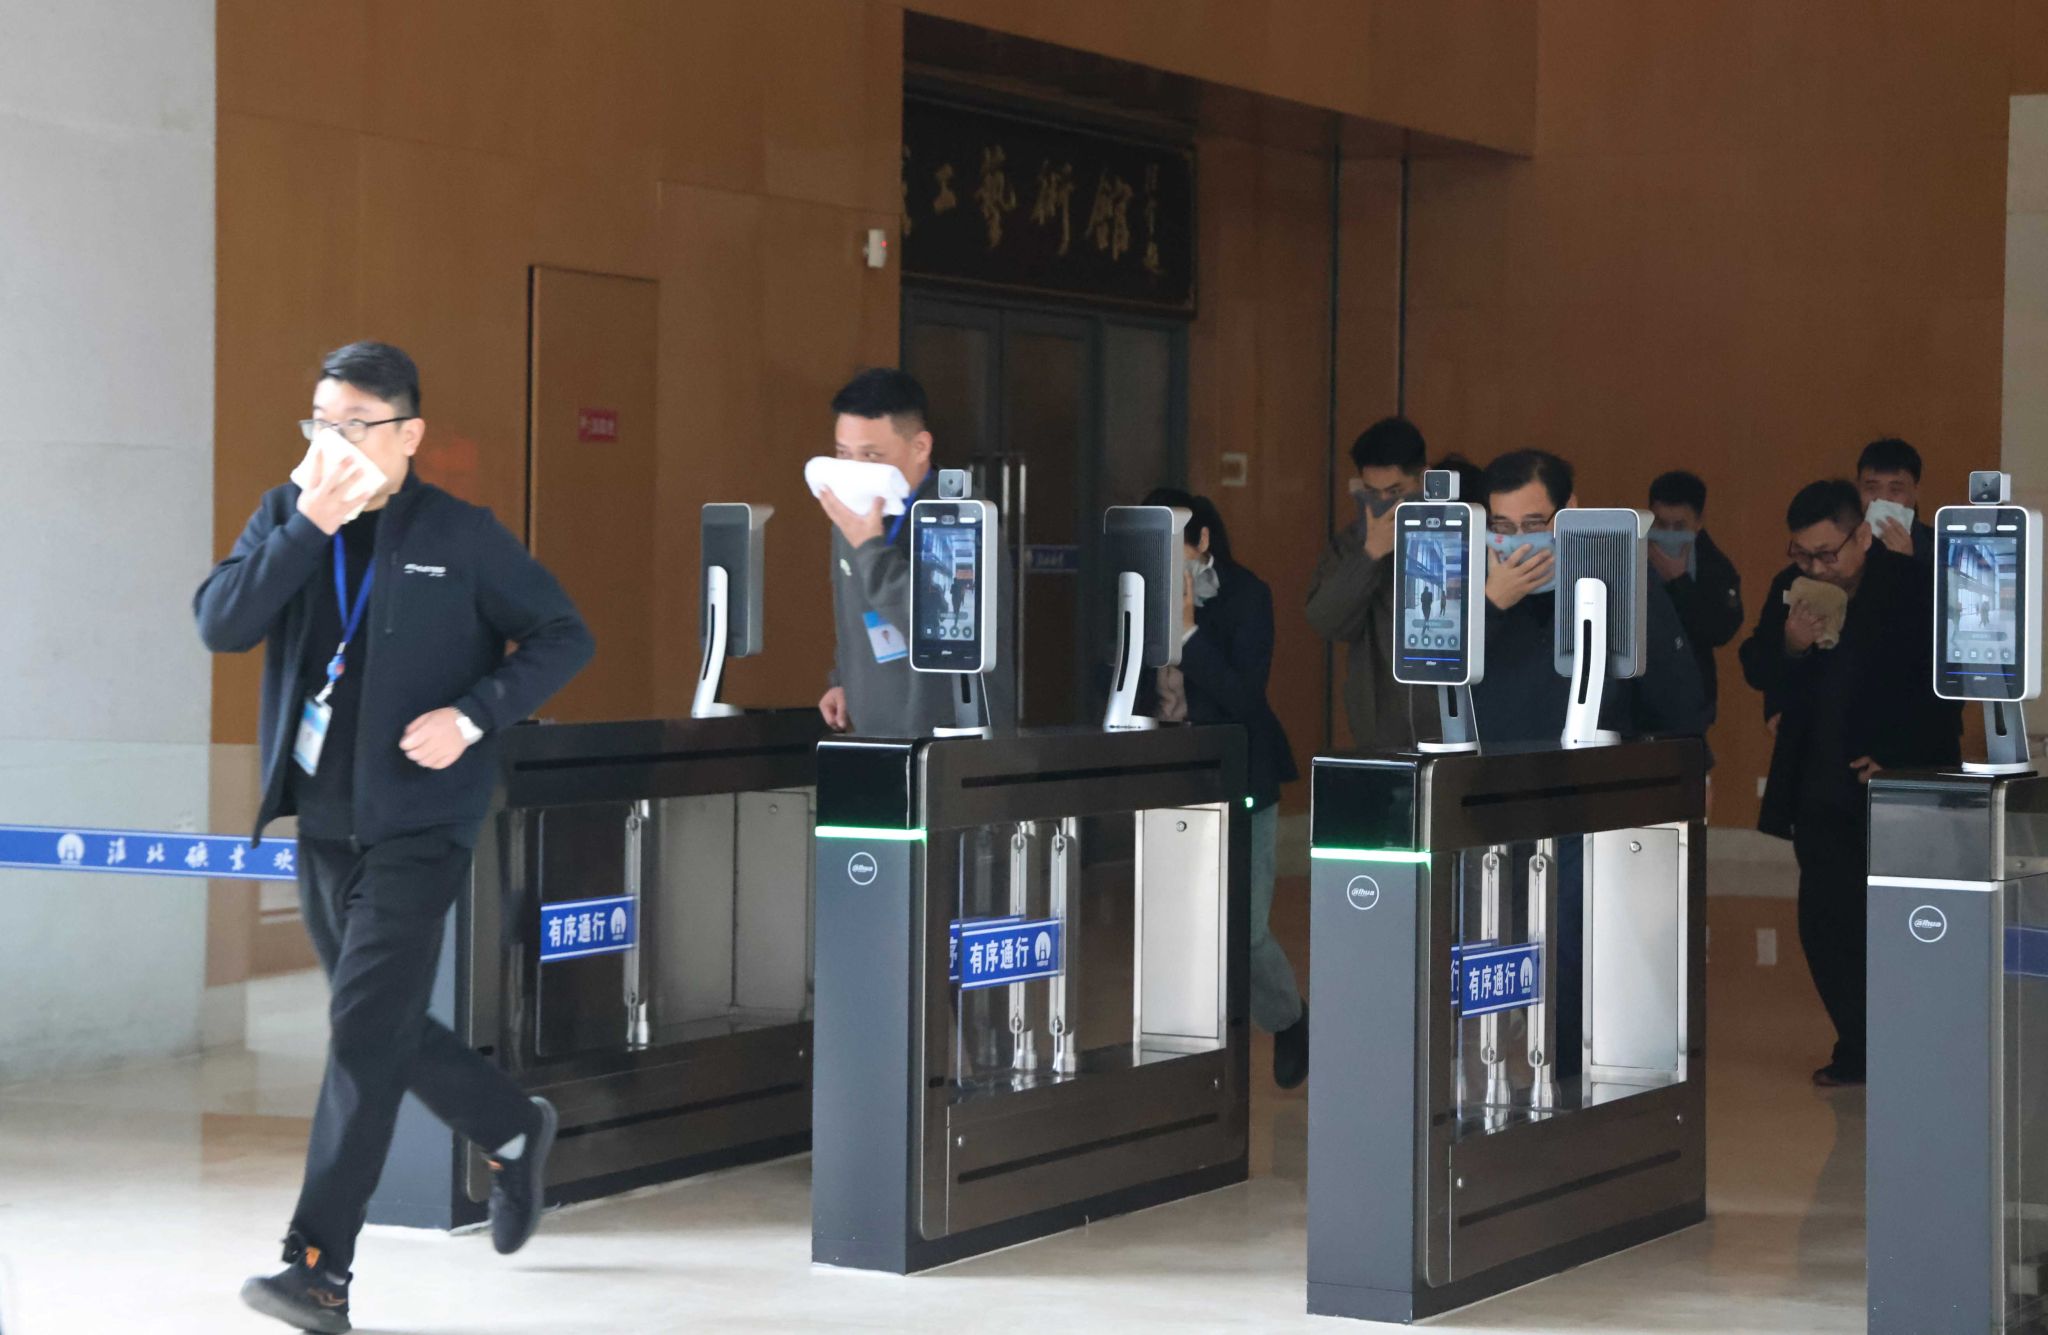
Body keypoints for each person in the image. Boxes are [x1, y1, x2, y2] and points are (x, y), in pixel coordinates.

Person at [195, 342, 595, 1332]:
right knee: (379, 1025)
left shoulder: (461, 535)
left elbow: (563, 635)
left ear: (408, 435)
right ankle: (511, 1126)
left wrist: (473, 714)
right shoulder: (288, 515)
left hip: (422, 821)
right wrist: (307, 524)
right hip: (324, 823)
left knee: (363, 1033)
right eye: (320, 423)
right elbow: (221, 623)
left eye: (356, 425)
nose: (334, 441)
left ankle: (318, 1268)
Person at [1471, 450, 1709, 1081]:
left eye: (1535, 524)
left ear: (1569, 513)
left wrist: (1688, 772)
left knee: (1576, 945)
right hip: (1491, 799)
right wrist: (1489, 603)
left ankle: (1571, 1081)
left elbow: (1679, 698)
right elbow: (1431, 690)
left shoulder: (1615, 576)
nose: (1518, 543)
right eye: (1502, 527)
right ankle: (1503, 1074)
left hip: (1588, 794)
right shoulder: (1469, 584)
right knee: (1496, 947)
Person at [1739, 480, 1961, 1088]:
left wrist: (1901, 757)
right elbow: (1756, 664)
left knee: (1902, 924)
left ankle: (1913, 1042)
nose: (1815, 567)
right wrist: (1790, 644)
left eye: (1827, 554)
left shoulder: (1910, 584)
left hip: (1898, 786)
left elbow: (1944, 687)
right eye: (1802, 553)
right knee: (1825, 925)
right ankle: (1857, 1046)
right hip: (1819, 786)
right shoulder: (1793, 589)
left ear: (1862, 535)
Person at [1135, 489, 1307, 1088]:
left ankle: (1288, 1018)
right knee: (1175, 924)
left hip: (1241, 772)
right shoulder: (1135, 595)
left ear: (1202, 540)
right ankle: (1187, 1057)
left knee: (1244, 927)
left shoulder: (1246, 595)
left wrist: (1187, 633)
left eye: (1173, 547)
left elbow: (1244, 697)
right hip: (1168, 773)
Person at [816, 367, 1013, 737]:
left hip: (950, 737)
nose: (855, 471)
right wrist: (843, 679)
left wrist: (870, 548)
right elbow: (853, 611)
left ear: (920, 447)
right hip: (874, 733)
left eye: (871, 456)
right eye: (844, 454)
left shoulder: (956, 515)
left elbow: (941, 630)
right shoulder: (854, 513)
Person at [1305, 416, 1427, 750]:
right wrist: (1370, 554)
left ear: (1422, 480)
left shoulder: (1454, 535)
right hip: (1380, 730)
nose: (1384, 502)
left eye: (1396, 492)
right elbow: (1325, 620)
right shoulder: (1350, 545)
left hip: (1450, 727)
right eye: (1373, 493)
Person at [1646, 470, 1745, 724]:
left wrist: (1679, 582)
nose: (1668, 534)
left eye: (1679, 526)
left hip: (1690, 700)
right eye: (1660, 524)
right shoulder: (1630, 555)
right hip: (1636, 701)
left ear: (1698, 522)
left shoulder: (1715, 566)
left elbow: (1720, 630)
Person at [1857, 436, 1934, 563]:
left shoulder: (1937, 547)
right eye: (1871, 488)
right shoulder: (1842, 543)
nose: (1883, 499)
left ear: (1916, 492)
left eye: (1895, 490)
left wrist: (1905, 562)